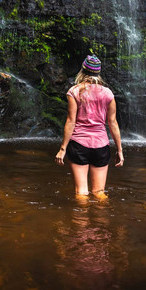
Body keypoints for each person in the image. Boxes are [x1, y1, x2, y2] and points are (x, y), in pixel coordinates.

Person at [55, 54, 124, 199]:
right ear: (98, 72)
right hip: (101, 145)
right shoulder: (108, 94)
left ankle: (81, 221)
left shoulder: (74, 91)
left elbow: (71, 121)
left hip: (79, 144)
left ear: (83, 70)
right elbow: (112, 123)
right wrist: (119, 150)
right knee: (99, 192)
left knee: (81, 192)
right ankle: (102, 220)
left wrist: (62, 149)